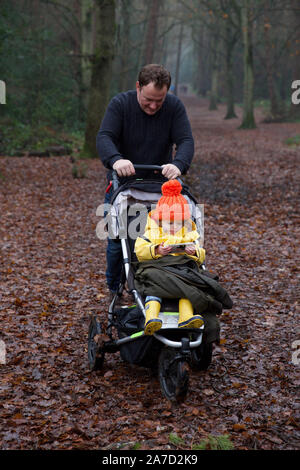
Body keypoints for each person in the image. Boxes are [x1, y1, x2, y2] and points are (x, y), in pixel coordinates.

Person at [97, 64, 194, 298]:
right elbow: (105, 136)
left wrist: (178, 164)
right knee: (117, 239)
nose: (153, 106)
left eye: (159, 101)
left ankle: (161, 284)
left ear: (167, 93)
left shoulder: (174, 107)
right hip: (124, 184)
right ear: (138, 87)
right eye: (149, 99)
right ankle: (115, 288)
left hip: (161, 188)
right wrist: (116, 160)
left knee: (163, 237)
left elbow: (186, 140)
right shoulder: (120, 105)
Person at [134, 179, 205, 335]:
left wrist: (194, 253)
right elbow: (139, 251)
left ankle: (186, 317)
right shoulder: (152, 234)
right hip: (159, 273)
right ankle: (151, 318)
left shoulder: (188, 235)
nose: (174, 227)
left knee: (190, 288)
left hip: (181, 274)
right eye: (169, 223)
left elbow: (201, 257)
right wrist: (157, 250)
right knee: (153, 288)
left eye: (178, 223)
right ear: (160, 220)